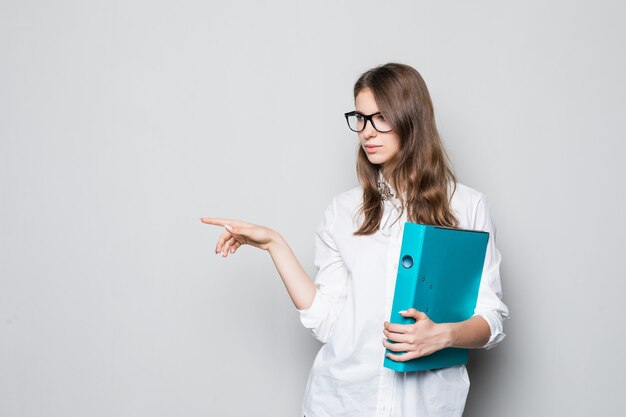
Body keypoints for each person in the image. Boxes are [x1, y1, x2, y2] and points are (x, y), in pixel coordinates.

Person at [201, 62, 509, 417]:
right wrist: (274, 244)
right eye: (360, 118)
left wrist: (443, 335)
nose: (367, 132)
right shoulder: (343, 211)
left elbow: (492, 317)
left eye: (380, 118)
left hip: (425, 407)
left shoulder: (466, 206)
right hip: (342, 402)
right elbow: (329, 323)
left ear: (411, 118)